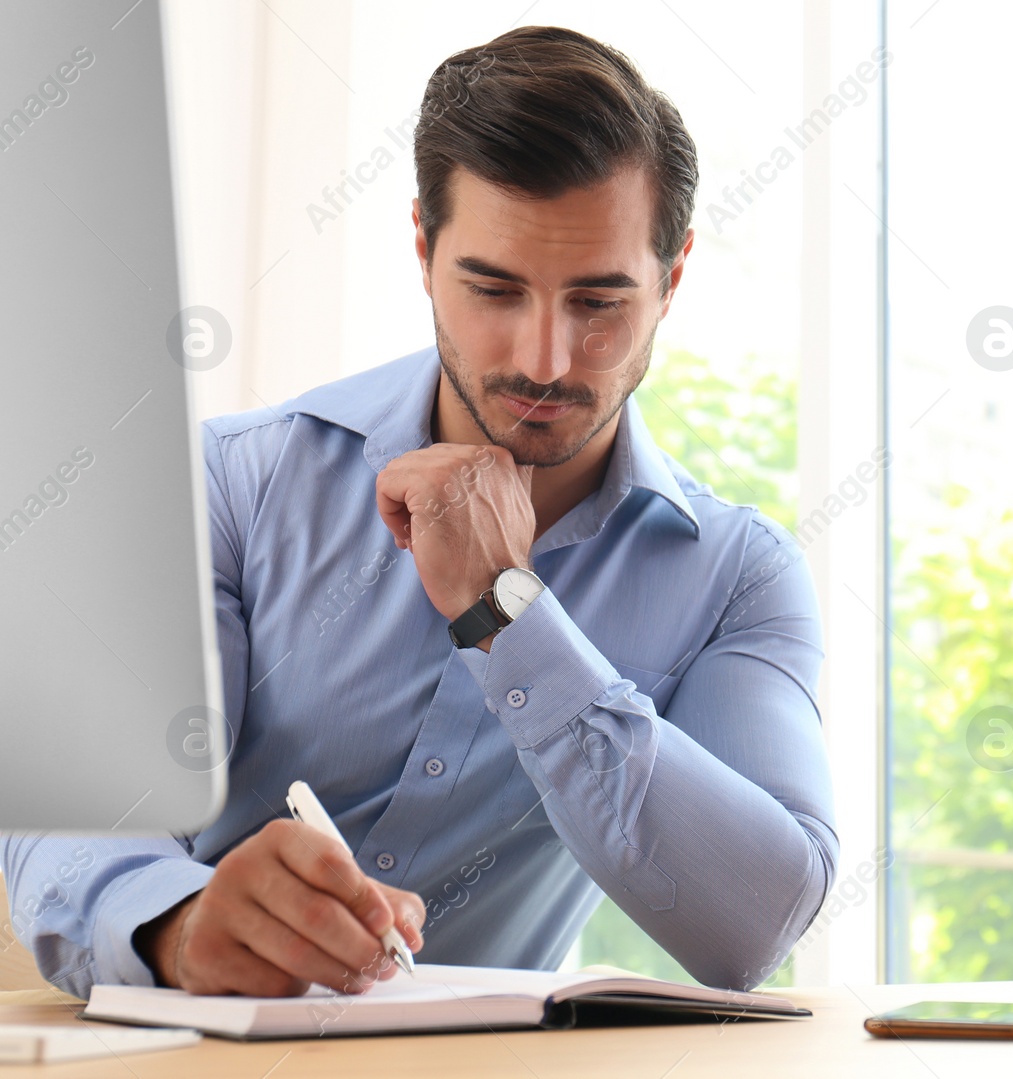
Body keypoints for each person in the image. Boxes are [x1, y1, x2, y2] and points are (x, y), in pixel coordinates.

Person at [2, 25, 835, 999]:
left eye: (599, 302)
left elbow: (757, 918)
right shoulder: (234, 484)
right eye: (493, 287)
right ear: (424, 248)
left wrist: (505, 611)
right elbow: (83, 808)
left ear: (671, 280)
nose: (545, 359)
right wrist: (180, 923)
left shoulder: (736, 575)